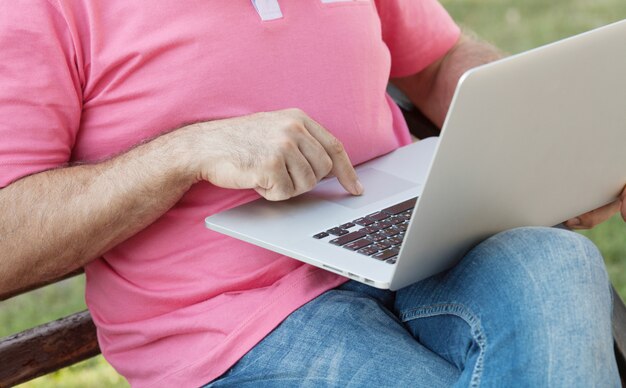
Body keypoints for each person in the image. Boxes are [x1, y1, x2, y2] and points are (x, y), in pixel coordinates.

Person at [0, 1, 623, 386]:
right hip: (232, 321)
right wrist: (183, 153)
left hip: (417, 241)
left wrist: (548, 144)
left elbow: (437, 61)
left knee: (557, 262)